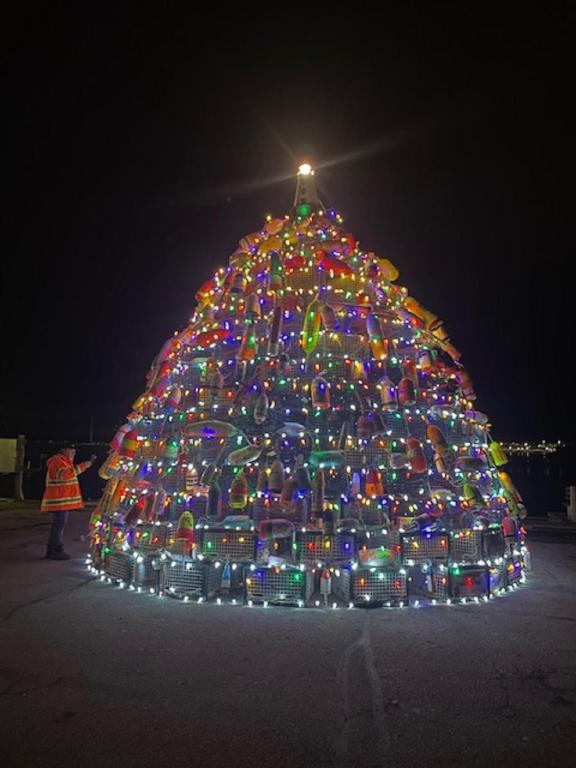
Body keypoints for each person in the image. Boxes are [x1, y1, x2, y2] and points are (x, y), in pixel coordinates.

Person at [41, 442, 97, 560]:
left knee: (60, 525)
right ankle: (55, 550)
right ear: (63, 450)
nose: (74, 452)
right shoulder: (57, 461)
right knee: (59, 525)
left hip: (61, 501)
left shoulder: (64, 461)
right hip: (58, 501)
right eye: (71, 449)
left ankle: (53, 550)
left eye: (74, 450)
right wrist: (83, 466)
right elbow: (65, 475)